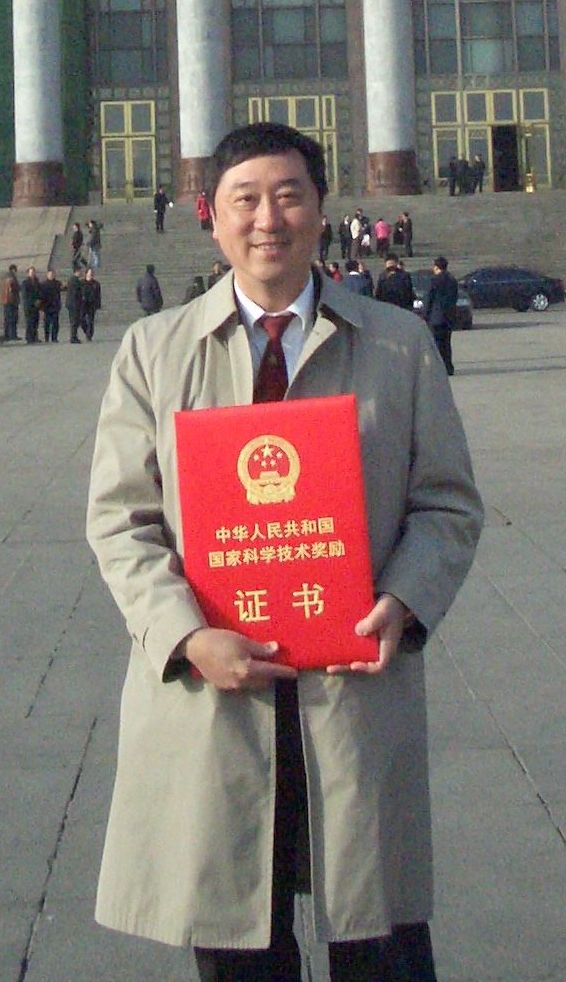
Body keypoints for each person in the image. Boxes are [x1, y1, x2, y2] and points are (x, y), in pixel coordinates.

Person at [86, 119, 482, 981]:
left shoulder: (395, 345)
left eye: (289, 195)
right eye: (246, 200)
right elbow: (121, 520)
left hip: (353, 696)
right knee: (239, 947)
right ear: (210, 216)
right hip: (218, 701)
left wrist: (407, 601)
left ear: (322, 210)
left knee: (379, 943)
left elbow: (447, 503)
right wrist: (187, 638)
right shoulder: (153, 352)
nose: (269, 218)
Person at [423, 256, 460, 376]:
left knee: (437, 344)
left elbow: (429, 299)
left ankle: (439, 368)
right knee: (447, 343)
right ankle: (449, 367)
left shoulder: (433, 280)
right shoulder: (452, 279)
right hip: (448, 316)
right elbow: (455, 297)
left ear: (436, 267)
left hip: (435, 317)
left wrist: (425, 315)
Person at [79, 267, 102, 342]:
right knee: (82, 319)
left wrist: (98, 304)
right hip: (83, 303)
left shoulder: (96, 284)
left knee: (90, 320)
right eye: (89, 273)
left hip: (92, 304)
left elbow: (98, 295)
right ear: (86, 274)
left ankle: (89, 335)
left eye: (92, 273)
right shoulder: (81, 282)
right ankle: (86, 330)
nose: (91, 274)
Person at [21, 267, 42, 343]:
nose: (32, 274)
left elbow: (40, 291)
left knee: (36, 321)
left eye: (33, 272)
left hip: (36, 305)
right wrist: (33, 301)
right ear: (28, 273)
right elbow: (25, 295)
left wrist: (39, 300)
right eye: (31, 272)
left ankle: (35, 336)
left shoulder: (37, 281)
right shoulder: (25, 282)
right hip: (29, 305)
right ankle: (29, 337)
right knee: (29, 321)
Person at [0, 265, 21, 341]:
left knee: (7, 318)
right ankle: (13, 335)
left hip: (5, 300)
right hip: (12, 301)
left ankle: (7, 334)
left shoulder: (4, 278)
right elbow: (15, 288)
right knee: (13, 318)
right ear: (13, 270)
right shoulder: (12, 279)